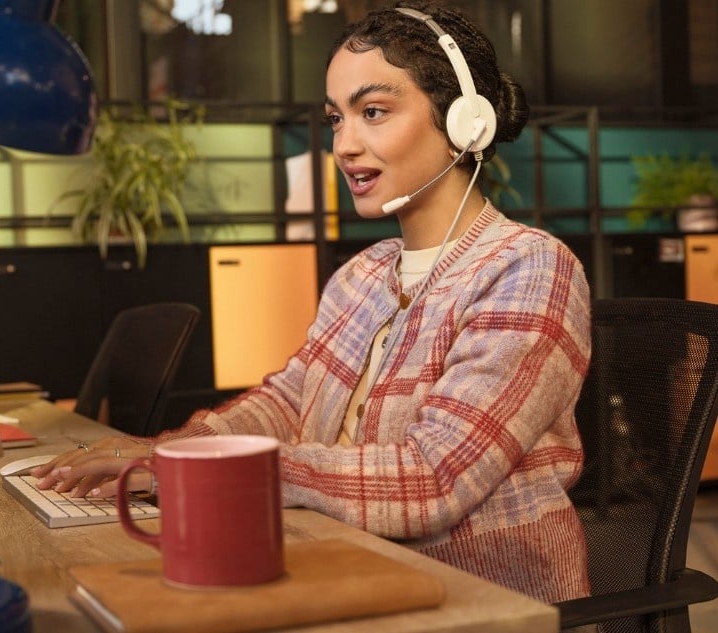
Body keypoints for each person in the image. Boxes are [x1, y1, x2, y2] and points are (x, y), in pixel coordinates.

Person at [33, 0, 592, 604]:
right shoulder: (363, 274)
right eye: (335, 120)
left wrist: (215, 473)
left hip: (480, 601)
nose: (345, 145)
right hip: (344, 564)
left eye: (373, 112)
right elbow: (286, 402)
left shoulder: (528, 268)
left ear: (465, 124)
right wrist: (165, 454)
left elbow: (434, 480)